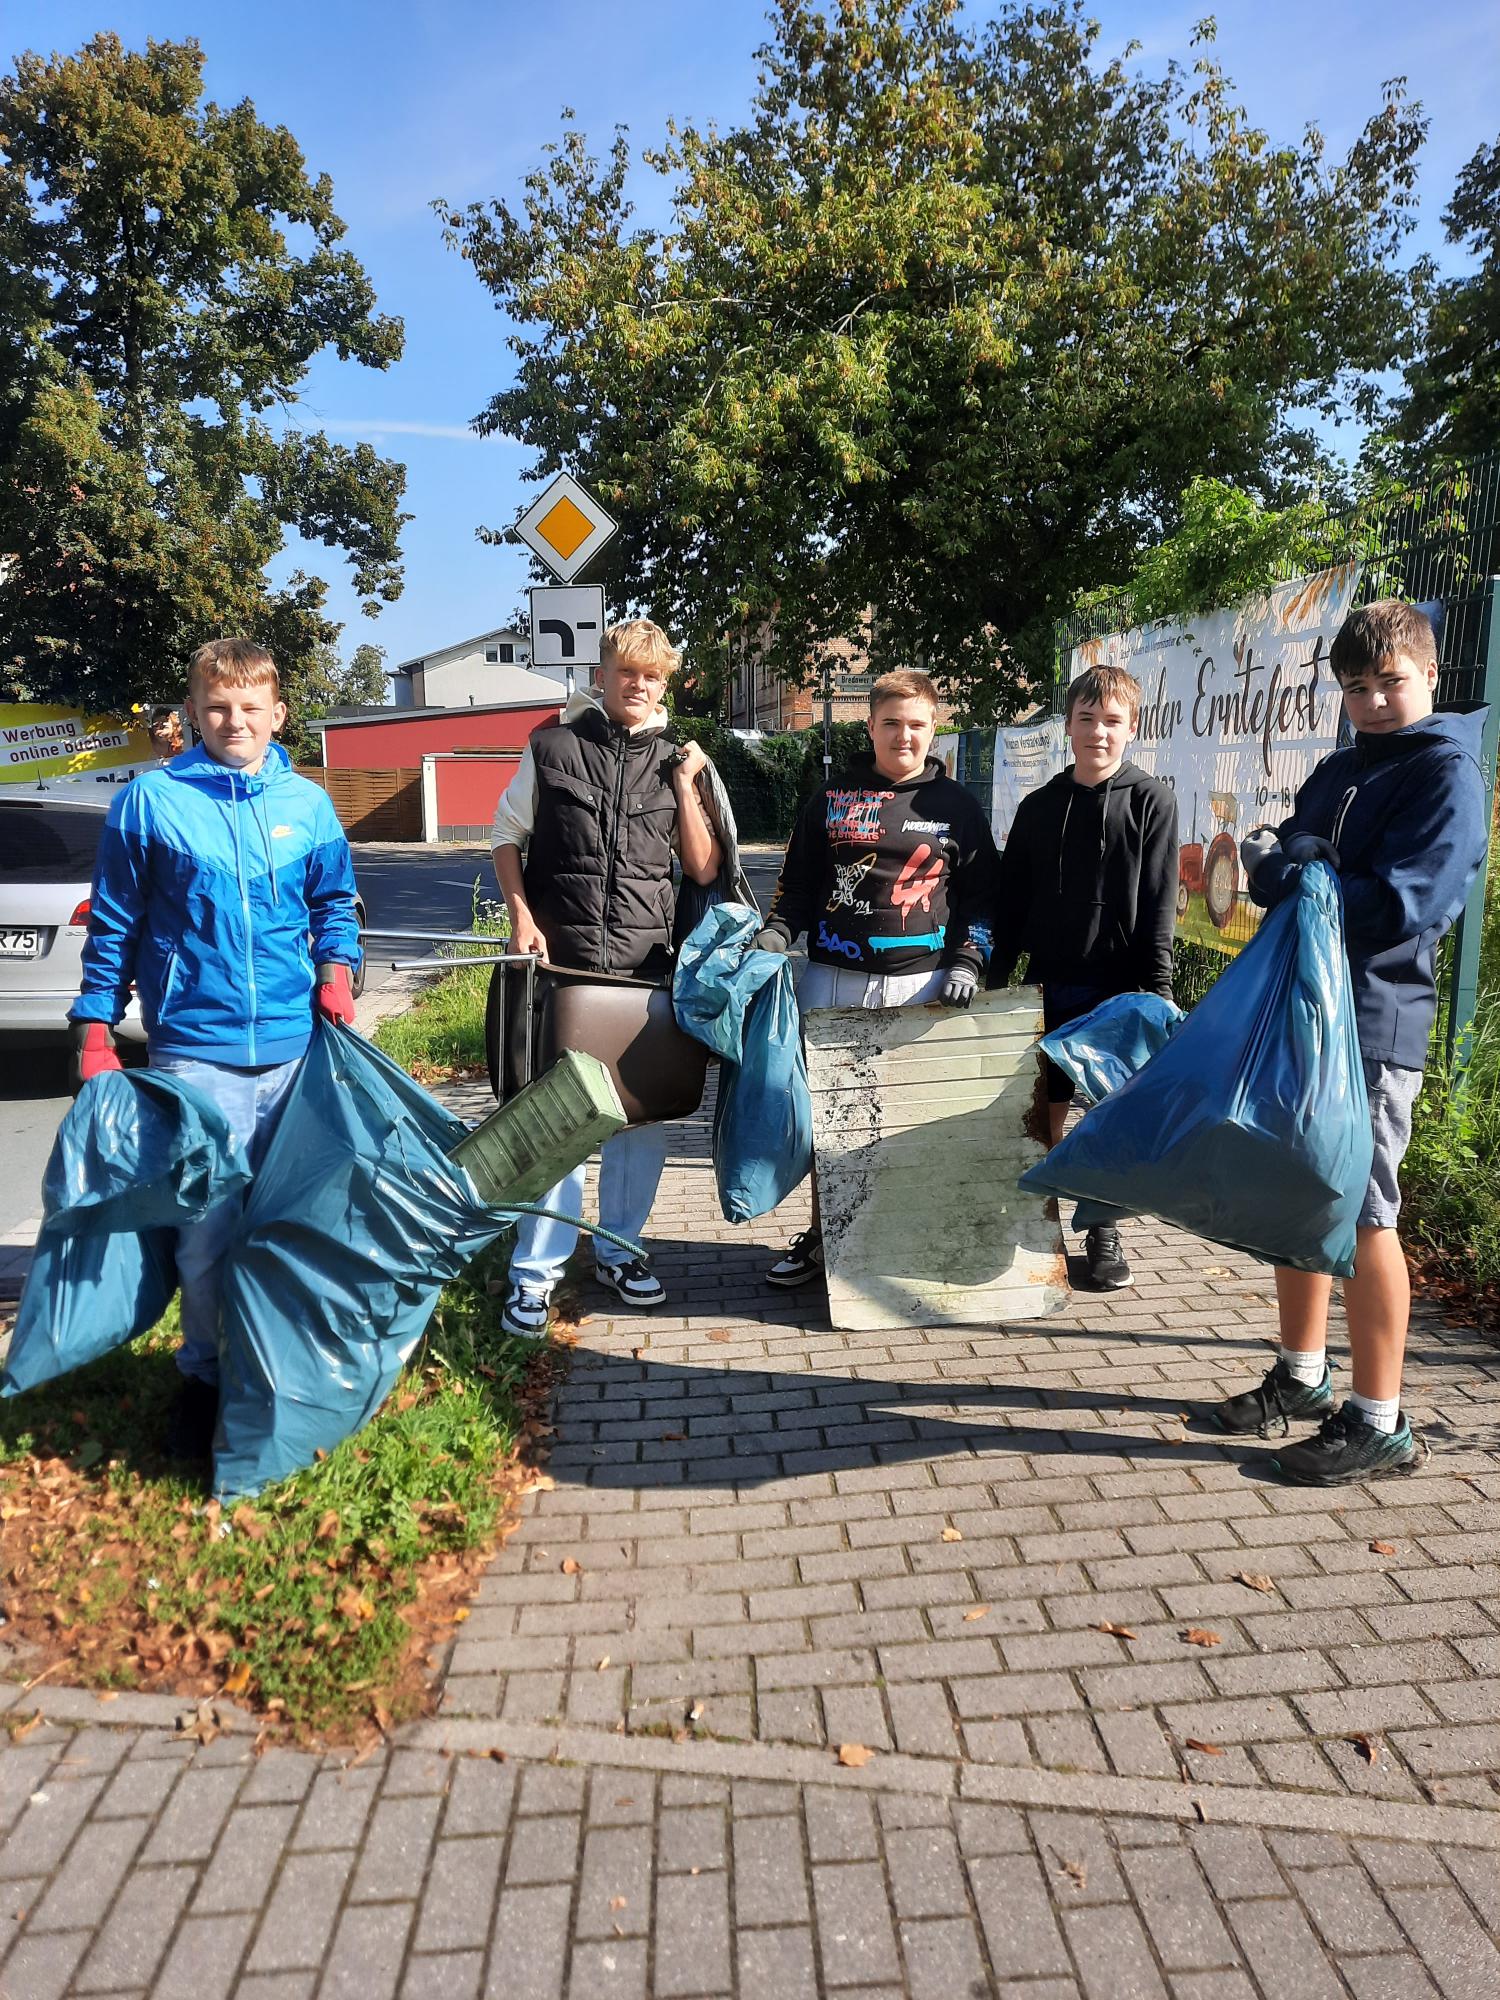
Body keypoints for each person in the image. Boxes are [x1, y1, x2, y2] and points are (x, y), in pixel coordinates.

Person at [1208, 599, 1489, 1483]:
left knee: (1367, 1213)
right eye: (1357, 687)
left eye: (1390, 683)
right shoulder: (1340, 768)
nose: (1373, 701)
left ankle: (1380, 1421)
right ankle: (1301, 1377)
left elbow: (1407, 903)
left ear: (1432, 676)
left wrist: (1302, 875)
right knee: (1300, 1195)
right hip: (1304, 1009)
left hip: (1373, 1022)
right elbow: (1292, 845)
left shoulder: (1447, 773)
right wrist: (1290, 865)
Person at [69, 638, 362, 1460]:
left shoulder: (307, 804)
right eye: (218, 706)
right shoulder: (150, 803)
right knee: (207, 1232)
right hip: (194, 1051)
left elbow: (335, 901)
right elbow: (116, 924)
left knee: (295, 1224)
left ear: (278, 713)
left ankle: (284, 1370)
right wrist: (97, 1025)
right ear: (193, 713)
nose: (235, 720)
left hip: (297, 1051)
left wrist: (337, 972)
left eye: (250, 706)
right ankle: (202, 1377)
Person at [490, 618, 721, 1337]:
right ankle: (535, 1275)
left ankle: (621, 1250)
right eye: (628, 671)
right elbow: (506, 836)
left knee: (637, 1123)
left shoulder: (683, 762)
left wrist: (686, 784)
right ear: (605, 671)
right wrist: (521, 917)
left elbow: (706, 868)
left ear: (665, 682)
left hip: (645, 970)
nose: (639, 685)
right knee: (560, 1125)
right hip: (562, 967)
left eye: (652, 676)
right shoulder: (553, 745)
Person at [755, 669, 997, 1288]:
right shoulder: (830, 799)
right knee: (828, 1122)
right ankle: (824, 1234)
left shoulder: (960, 808)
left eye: (916, 724)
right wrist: (778, 932)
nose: (904, 736)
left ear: (935, 727)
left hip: (924, 986)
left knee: (910, 1119)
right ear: (871, 727)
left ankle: (903, 1239)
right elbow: (799, 884)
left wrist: (970, 960)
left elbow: (983, 900)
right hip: (832, 979)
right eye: (891, 724)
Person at [988, 664, 1178, 1291]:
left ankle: (1104, 1232)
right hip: (1049, 984)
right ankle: (1037, 1224)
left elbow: (1158, 900)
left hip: (1121, 990)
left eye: (1112, 721)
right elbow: (1011, 904)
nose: (1099, 732)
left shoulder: (1152, 800)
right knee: (1046, 1112)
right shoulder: (1040, 808)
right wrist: (993, 975)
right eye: (1087, 719)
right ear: (1067, 725)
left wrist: (1157, 992)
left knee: (1111, 1120)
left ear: (1133, 727)